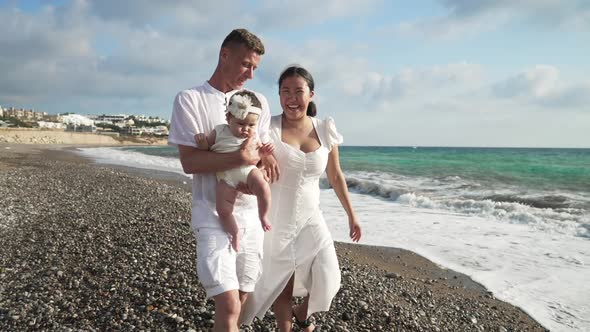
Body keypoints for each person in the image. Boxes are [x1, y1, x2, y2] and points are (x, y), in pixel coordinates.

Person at [168, 28, 278, 332]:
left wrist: (262, 164)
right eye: (246, 64)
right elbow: (190, 162)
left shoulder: (260, 102)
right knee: (227, 303)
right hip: (212, 212)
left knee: (242, 298)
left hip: (251, 218)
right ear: (224, 54)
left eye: (256, 67)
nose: (251, 75)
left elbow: (261, 153)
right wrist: (240, 159)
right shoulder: (190, 99)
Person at [240, 66, 362, 331]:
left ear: (311, 95)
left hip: (311, 216)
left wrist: (352, 215)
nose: (291, 98)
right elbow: (246, 161)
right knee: (282, 283)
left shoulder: (325, 128)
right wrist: (263, 155)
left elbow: (336, 176)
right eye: (285, 92)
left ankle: (303, 313)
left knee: (330, 277)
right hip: (275, 217)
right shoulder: (266, 128)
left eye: (298, 91)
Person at [194, 90, 273, 252]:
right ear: (229, 118)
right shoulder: (220, 131)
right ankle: (234, 232)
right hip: (225, 176)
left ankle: (263, 215)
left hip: (248, 171)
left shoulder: (254, 137)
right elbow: (207, 148)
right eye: (241, 124)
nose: (246, 129)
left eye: (251, 125)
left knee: (264, 188)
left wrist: (265, 155)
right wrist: (202, 142)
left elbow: (258, 157)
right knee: (223, 209)